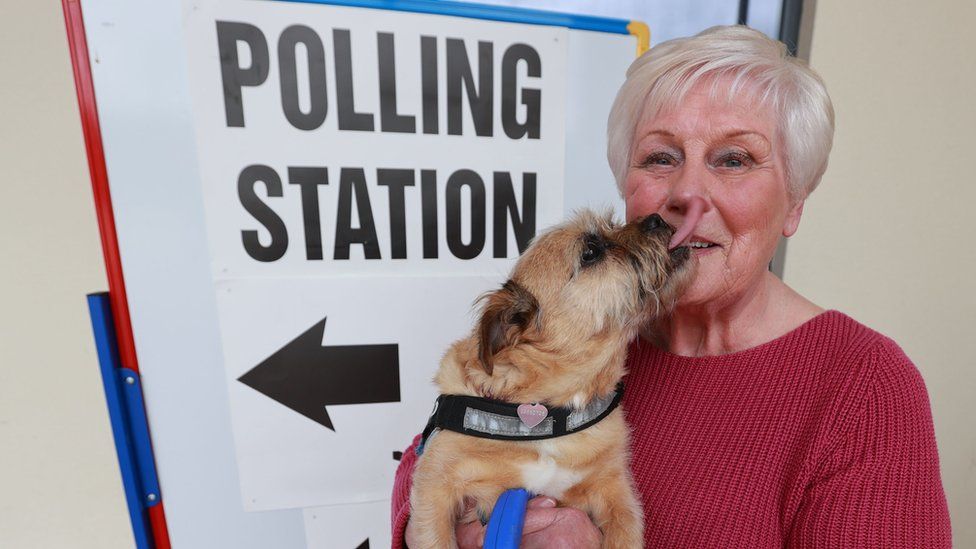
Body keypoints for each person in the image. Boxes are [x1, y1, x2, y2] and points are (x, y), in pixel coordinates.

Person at [391, 25, 952, 547]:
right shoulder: (576, 339)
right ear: (625, 186)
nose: (688, 192)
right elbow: (430, 466)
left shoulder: (865, 389)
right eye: (661, 157)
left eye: (734, 159)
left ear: (794, 204)